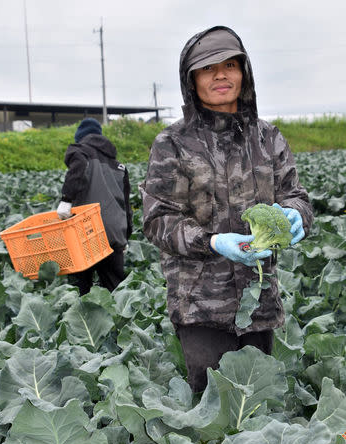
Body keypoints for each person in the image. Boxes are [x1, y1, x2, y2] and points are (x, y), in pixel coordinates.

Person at [140, 26, 313, 393]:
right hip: (200, 307)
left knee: (258, 406)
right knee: (213, 413)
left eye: (230, 64)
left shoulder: (269, 138)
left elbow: (295, 194)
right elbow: (158, 220)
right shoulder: (172, 143)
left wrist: (298, 214)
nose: (221, 74)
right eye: (208, 68)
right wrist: (214, 241)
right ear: (192, 80)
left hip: (261, 300)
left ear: (244, 72)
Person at [57, 117, 133, 296]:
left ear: (81, 137)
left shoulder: (81, 152)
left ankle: (85, 323)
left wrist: (66, 199)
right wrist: (125, 236)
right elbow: (126, 206)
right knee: (115, 291)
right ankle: (119, 323)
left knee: (80, 289)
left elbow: (79, 168)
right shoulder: (119, 166)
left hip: (87, 233)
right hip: (113, 235)